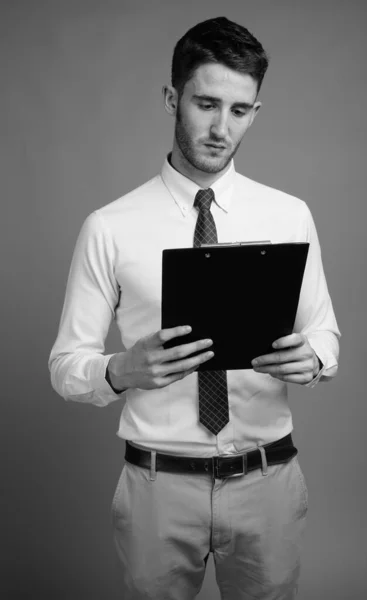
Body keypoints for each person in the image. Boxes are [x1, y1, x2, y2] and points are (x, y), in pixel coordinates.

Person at [49, 16, 340, 600]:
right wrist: (119, 371)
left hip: (267, 481)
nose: (220, 128)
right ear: (171, 98)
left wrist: (312, 361)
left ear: (255, 112)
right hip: (158, 486)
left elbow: (326, 334)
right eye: (206, 103)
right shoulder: (109, 226)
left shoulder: (290, 215)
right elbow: (64, 363)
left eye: (239, 110)